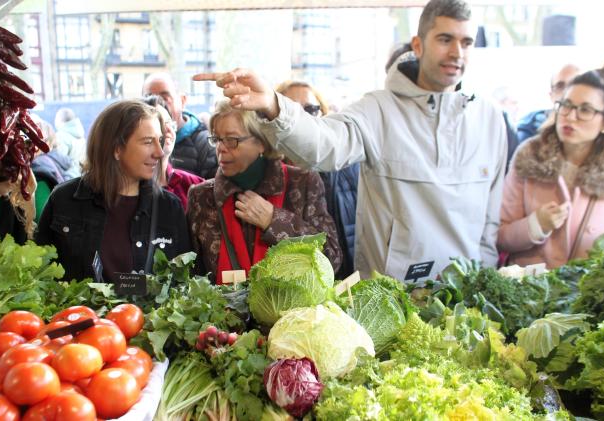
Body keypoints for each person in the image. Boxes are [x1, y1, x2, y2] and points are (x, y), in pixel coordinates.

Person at [194, 0, 507, 280]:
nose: (457, 52)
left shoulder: (490, 119)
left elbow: (490, 221)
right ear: (419, 44)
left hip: (465, 295)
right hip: (392, 301)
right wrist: (274, 105)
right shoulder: (379, 110)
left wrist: (482, 277)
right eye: (445, 39)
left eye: (467, 42)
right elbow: (322, 144)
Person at [187, 100, 342, 284]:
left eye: (231, 140)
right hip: (223, 312)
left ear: (262, 142)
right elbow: (193, 276)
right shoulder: (201, 196)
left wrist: (274, 220)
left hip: (292, 312)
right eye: (217, 139)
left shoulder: (302, 182)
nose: (220, 148)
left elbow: (332, 259)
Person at [36, 100, 191, 282]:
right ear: (116, 148)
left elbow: (183, 283)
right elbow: (41, 273)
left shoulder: (169, 208)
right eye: (148, 142)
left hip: (146, 312)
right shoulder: (64, 200)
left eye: (160, 141)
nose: (159, 152)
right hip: (81, 311)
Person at [498, 64, 604, 269]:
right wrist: (536, 225)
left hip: (589, 296)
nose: (570, 116)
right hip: (527, 294)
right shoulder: (529, 155)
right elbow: (499, 235)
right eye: (566, 105)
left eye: (585, 110)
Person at [276, 80, 359, 279]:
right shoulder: (269, 176)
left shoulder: (348, 168)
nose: (302, 117)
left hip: (348, 280)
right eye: (292, 109)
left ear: (323, 114)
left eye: (311, 109)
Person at [142, 72, 218, 179]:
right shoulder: (135, 143)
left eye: (165, 97)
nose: (157, 104)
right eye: (149, 98)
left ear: (182, 101)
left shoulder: (205, 143)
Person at [142, 95, 204, 210]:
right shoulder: (128, 190)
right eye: (160, 124)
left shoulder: (193, 184)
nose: (169, 130)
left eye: (170, 123)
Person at [516, 63, 580, 143]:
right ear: (551, 96)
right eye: (560, 86)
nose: (567, 92)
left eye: (574, 85)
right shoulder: (529, 131)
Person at [54, 107, 86, 179]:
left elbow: (59, 161)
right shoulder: (81, 136)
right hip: (81, 178)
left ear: (59, 120)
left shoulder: (61, 136)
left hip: (67, 180)